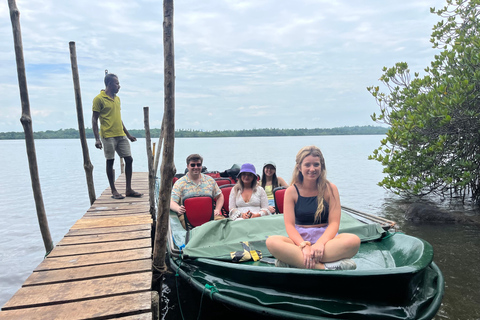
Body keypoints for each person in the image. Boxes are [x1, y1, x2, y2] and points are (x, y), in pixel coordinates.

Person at [266, 146, 360, 270]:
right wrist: (304, 246)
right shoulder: (291, 191)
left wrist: (320, 244)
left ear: (322, 166)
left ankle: (295, 260)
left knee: (353, 240)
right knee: (272, 242)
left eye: (316, 164)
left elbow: (334, 223)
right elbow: (289, 225)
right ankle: (324, 267)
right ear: (299, 167)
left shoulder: (331, 189)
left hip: (327, 242)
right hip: (300, 241)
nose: (312, 169)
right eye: (307, 165)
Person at [92, 73, 142, 200]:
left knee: (129, 159)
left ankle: (128, 189)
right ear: (109, 84)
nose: (119, 86)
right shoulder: (99, 99)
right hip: (108, 135)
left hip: (120, 134)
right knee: (110, 161)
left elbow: (119, 119)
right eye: (117, 83)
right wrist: (97, 139)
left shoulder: (117, 99)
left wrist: (128, 134)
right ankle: (114, 190)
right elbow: (94, 119)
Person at [170, 154, 225, 230]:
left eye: (198, 165)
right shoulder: (180, 183)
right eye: (193, 165)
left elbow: (220, 196)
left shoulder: (209, 180)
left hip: (209, 215)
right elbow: (171, 202)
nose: (196, 167)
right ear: (188, 166)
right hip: (187, 217)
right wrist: (178, 208)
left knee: (225, 224)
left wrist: (217, 209)